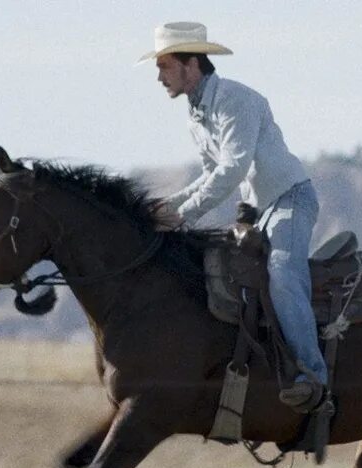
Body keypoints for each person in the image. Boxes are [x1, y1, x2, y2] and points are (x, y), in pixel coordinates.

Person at [139, 21, 328, 412]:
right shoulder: (196, 114)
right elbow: (211, 174)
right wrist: (167, 208)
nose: (159, 77)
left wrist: (184, 214)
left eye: (164, 66)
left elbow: (232, 170)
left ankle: (313, 378)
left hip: (290, 201)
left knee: (282, 270)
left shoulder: (234, 100)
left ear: (191, 65)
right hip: (260, 210)